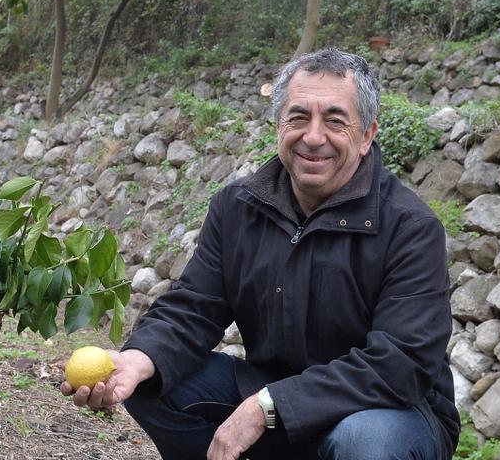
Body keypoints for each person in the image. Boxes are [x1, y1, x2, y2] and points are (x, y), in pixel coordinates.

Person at [64, 49, 458, 460]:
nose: (313, 137)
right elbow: (195, 306)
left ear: (366, 136)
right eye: (298, 117)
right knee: (154, 380)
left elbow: (400, 363)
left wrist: (269, 405)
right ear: (278, 125)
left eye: (335, 121)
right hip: (270, 391)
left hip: (389, 412)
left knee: (365, 442)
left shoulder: (408, 227)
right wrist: (139, 358)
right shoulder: (239, 208)